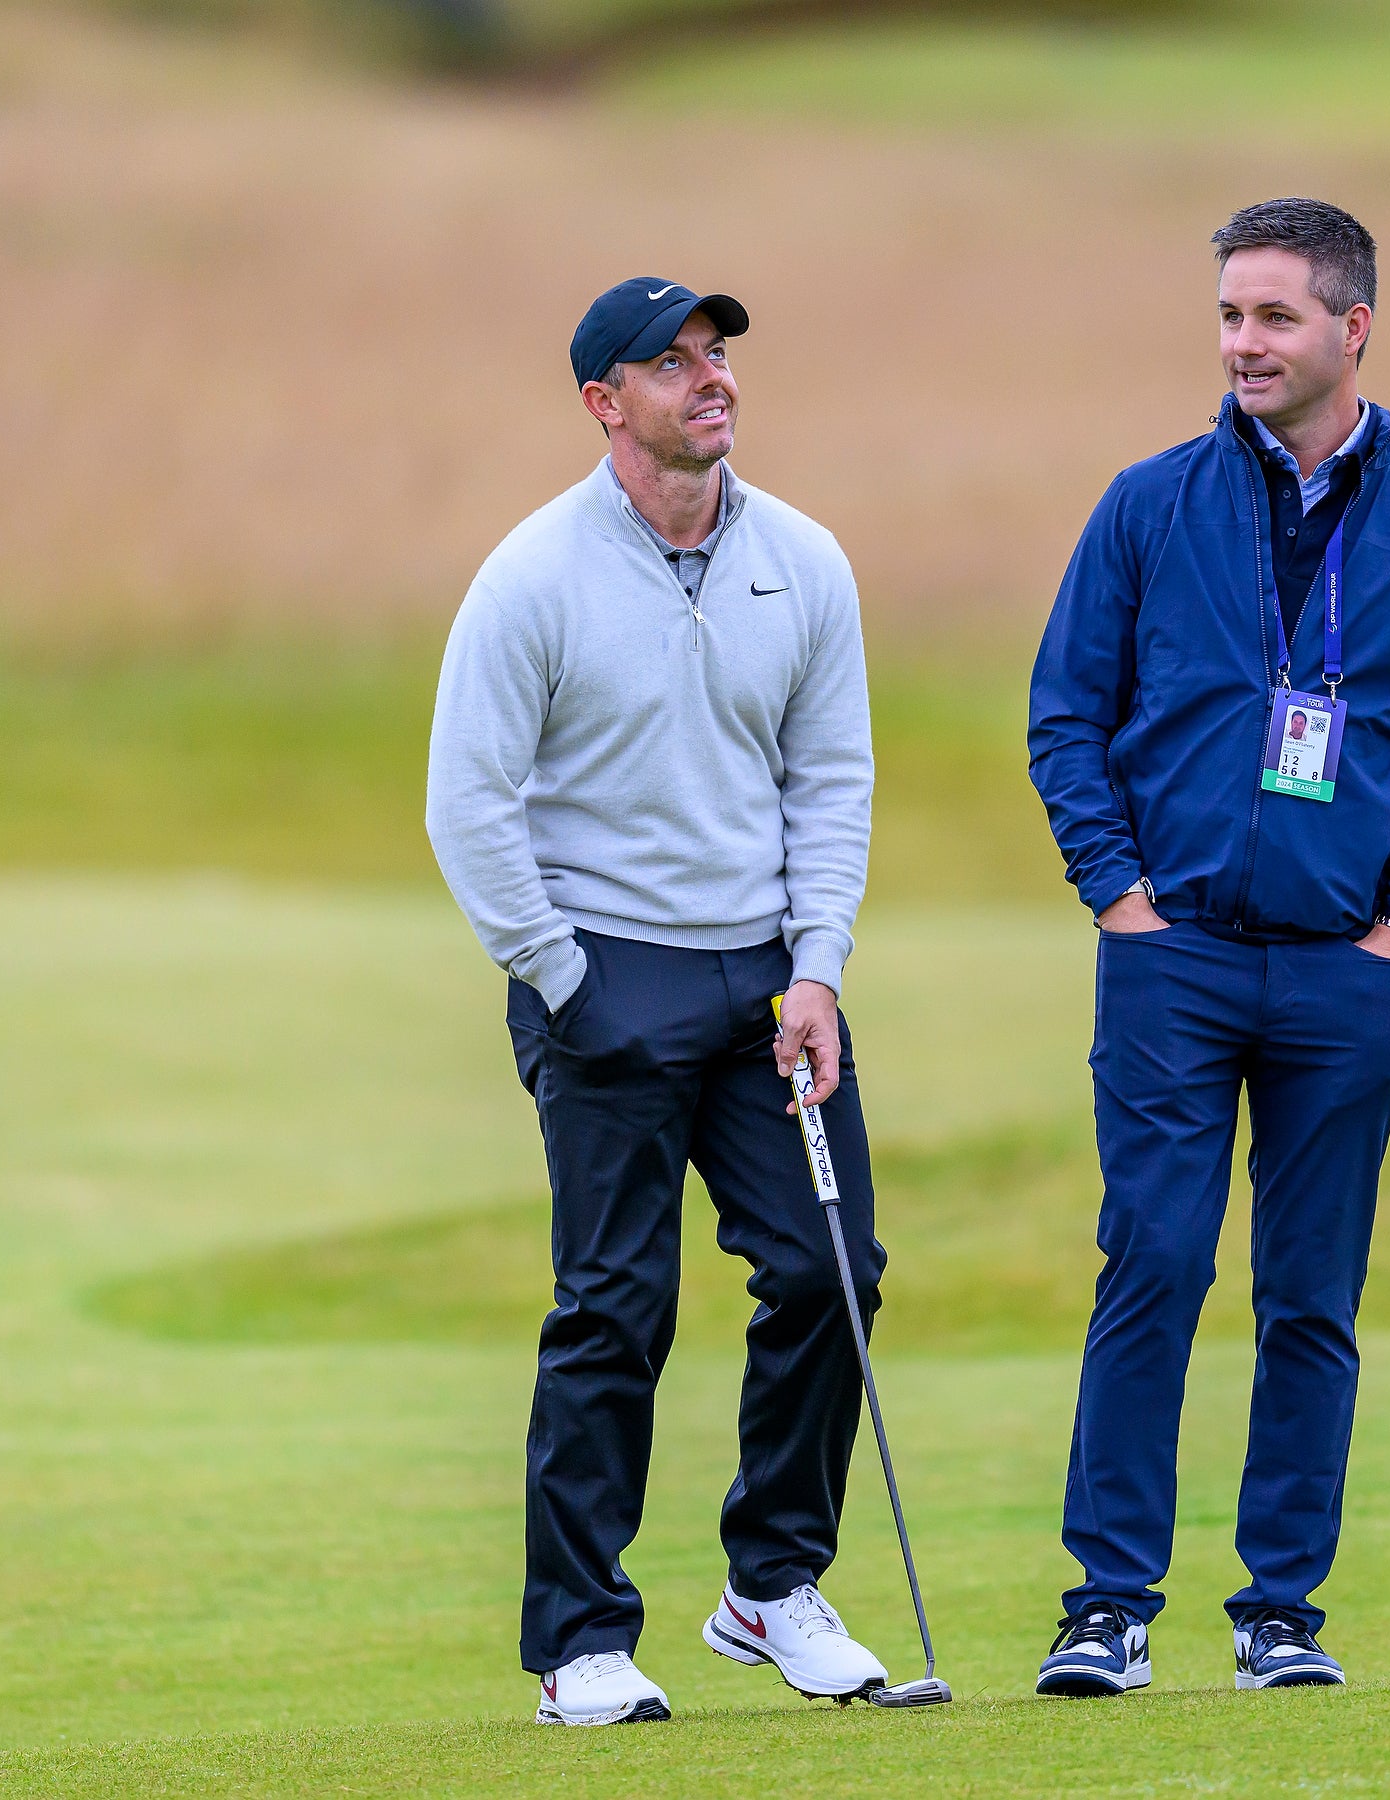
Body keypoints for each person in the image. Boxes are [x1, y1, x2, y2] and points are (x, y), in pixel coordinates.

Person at [1025, 198, 1390, 1696]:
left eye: (1276, 318)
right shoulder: (1146, 504)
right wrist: (1119, 896)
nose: (1245, 343)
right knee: (1156, 1264)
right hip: (1171, 958)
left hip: (1343, 975)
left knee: (1310, 1297)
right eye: (1231, 317)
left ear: (1351, 329)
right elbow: (1067, 715)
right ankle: (1108, 1607)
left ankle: (1280, 1615)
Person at [427, 277, 893, 1727]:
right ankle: (581, 1642)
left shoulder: (804, 559)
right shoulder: (533, 575)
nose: (713, 379)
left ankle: (771, 1589)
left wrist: (818, 965)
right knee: (616, 1307)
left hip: (767, 982)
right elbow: (470, 804)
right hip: (604, 972)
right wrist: (564, 977)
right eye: (673, 362)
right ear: (602, 401)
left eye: (719, 355)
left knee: (833, 1272)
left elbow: (831, 778)